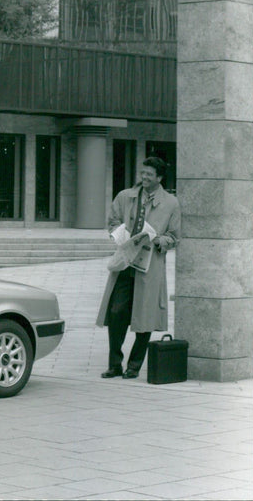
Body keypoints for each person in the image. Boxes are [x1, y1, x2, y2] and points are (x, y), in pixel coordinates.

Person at [96, 156, 181, 379]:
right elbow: (112, 221)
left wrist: (158, 241)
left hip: (150, 267)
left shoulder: (171, 203)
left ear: (159, 177)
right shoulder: (126, 196)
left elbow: (174, 236)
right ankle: (115, 364)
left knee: (145, 316)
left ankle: (134, 366)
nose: (144, 177)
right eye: (142, 173)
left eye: (149, 174)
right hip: (125, 263)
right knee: (116, 313)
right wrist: (119, 234)